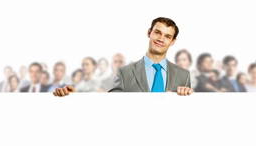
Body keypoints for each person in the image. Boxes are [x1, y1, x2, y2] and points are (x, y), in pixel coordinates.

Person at [53, 17, 193, 96]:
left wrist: (186, 98)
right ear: (149, 33)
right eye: (157, 32)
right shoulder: (125, 73)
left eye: (167, 36)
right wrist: (75, 96)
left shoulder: (183, 76)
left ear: (172, 41)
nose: (161, 39)